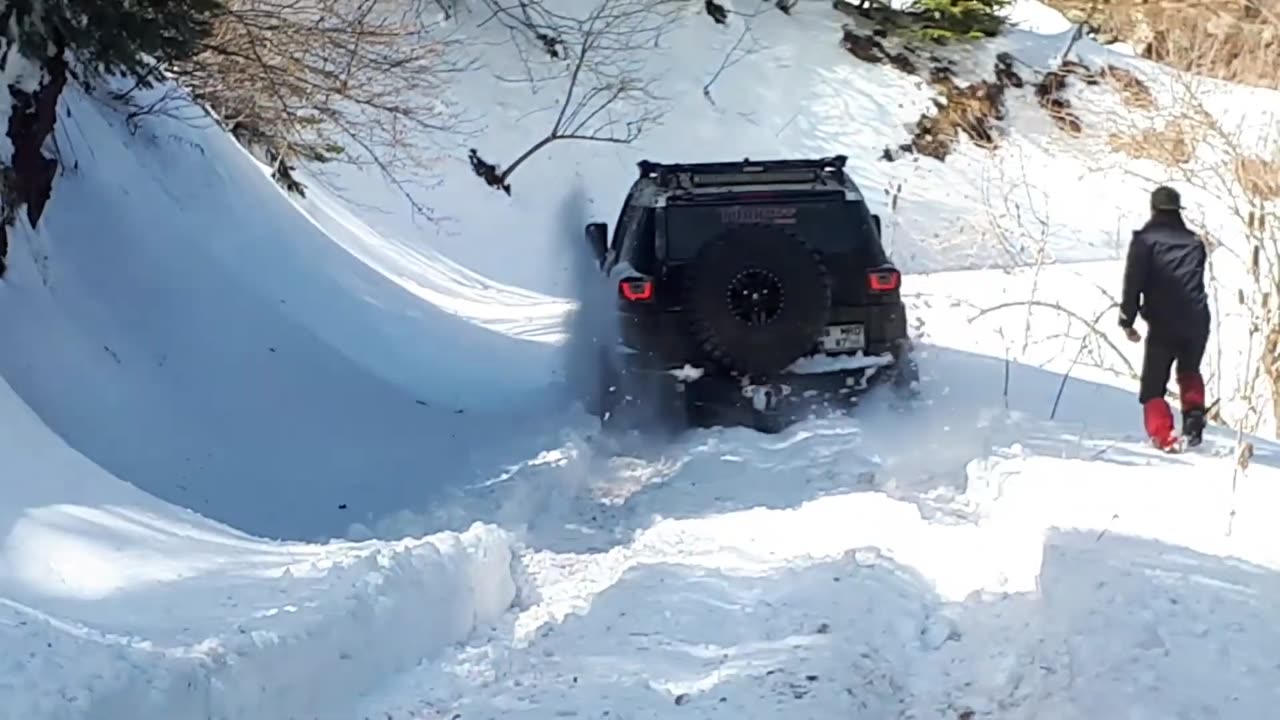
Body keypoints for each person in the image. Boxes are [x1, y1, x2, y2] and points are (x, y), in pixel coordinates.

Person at [1119, 185, 1210, 451]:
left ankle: (1164, 436)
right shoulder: (1195, 242)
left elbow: (1133, 283)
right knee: (1189, 370)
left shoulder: (1145, 240)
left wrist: (1127, 319)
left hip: (1163, 322)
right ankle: (1194, 419)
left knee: (1153, 385)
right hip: (1197, 318)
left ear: (1154, 209)